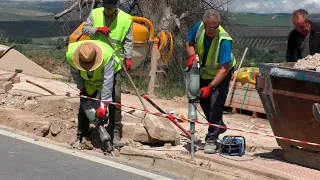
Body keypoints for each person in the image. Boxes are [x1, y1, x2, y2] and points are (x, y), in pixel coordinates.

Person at [82, 0, 133, 147]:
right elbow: (85, 29)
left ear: (116, 6)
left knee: (115, 96)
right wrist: (97, 29)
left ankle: (115, 132)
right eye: (107, 8)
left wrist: (128, 57)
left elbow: (129, 40)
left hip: (115, 61)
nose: (108, 11)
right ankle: (87, 129)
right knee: (91, 94)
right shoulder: (95, 13)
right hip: (96, 60)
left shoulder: (126, 19)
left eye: (111, 8)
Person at [185, 9, 236, 154]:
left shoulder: (224, 40)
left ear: (219, 24)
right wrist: (192, 56)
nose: (212, 30)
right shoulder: (198, 27)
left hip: (221, 74)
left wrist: (211, 86)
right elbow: (189, 43)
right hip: (204, 72)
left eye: (215, 27)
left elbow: (224, 69)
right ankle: (218, 125)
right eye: (209, 27)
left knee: (215, 104)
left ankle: (211, 139)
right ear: (204, 23)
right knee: (202, 100)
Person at [66, 40, 116, 150]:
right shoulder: (71, 54)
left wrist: (103, 105)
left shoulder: (107, 56)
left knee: (112, 105)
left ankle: (113, 136)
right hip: (88, 81)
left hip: (108, 76)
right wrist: (82, 88)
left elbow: (108, 81)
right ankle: (81, 135)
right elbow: (75, 74)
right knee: (85, 107)